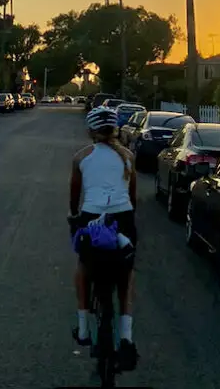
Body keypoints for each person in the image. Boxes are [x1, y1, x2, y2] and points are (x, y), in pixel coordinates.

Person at [69, 105, 138, 371]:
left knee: (84, 269)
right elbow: (132, 199)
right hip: (123, 220)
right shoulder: (128, 157)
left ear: (91, 130)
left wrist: (73, 217)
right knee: (126, 275)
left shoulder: (81, 157)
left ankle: (84, 328)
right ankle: (126, 337)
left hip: (91, 222)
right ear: (115, 130)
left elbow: (74, 199)